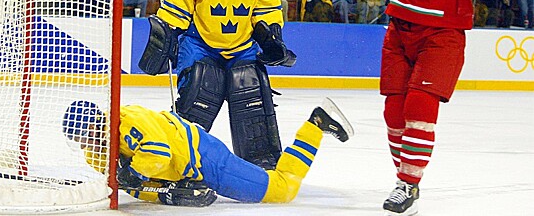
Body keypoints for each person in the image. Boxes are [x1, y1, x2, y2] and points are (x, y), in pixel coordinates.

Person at [365, 0, 486, 214]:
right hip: (400, 28)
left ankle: (408, 185)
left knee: (419, 107)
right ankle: (403, 178)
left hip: (442, 33)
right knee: (394, 111)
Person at [138, 0, 296, 169]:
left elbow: (267, 11)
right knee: (197, 94)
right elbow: (175, 12)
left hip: (243, 45)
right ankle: (180, 155)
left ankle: (261, 159)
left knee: (251, 94)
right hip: (201, 43)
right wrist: (165, 42)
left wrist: (272, 38)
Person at [62, 98, 353, 206]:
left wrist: (134, 174)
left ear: (97, 122)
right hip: (188, 168)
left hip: (204, 157)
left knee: (282, 189)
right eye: (77, 139)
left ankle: (316, 123)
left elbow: (157, 155)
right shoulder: (96, 152)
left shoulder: (129, 122)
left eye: (84, 134)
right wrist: (164, 195)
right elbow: (132, 186)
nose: (85, 144)